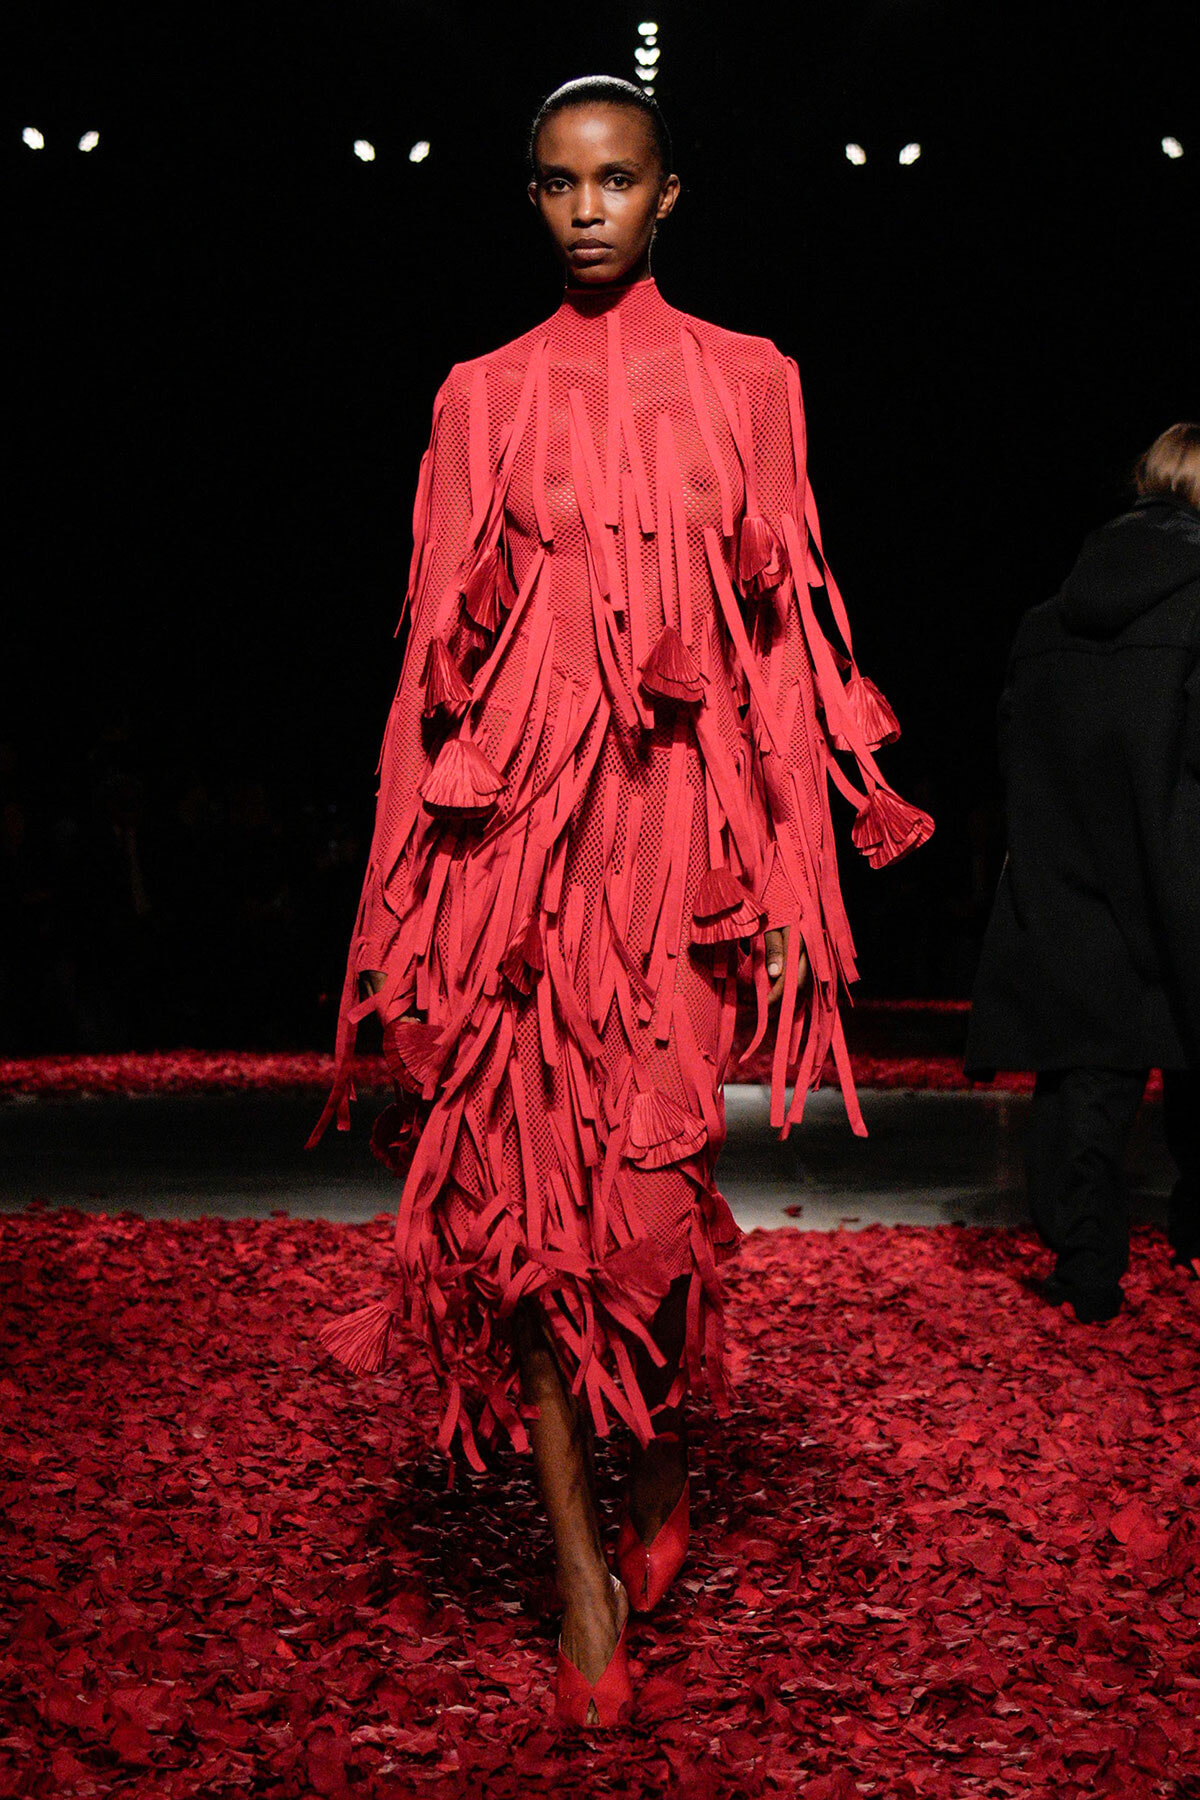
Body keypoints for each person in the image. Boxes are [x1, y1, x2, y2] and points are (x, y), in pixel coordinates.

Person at [310, 76, 930, 1725]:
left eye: (618, 180)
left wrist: (792, 872)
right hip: (516, 870)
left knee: (649, 1206)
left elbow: (778, 650)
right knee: (523, 1219)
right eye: (559, 183)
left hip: (679, 872)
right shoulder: (480, 397)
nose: (588, 208)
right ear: (532, 199)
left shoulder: (753, 381)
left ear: (668, 194)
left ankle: (651, 1452)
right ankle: (579, 1574)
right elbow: (431, 672)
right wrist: (404, 915)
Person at [967, 424, 1200, 1322]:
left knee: (1085, 1081)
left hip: (1073, 878)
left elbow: (1014, 751)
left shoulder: (1047, 621)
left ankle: (1085, 1267)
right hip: (1177, 869)